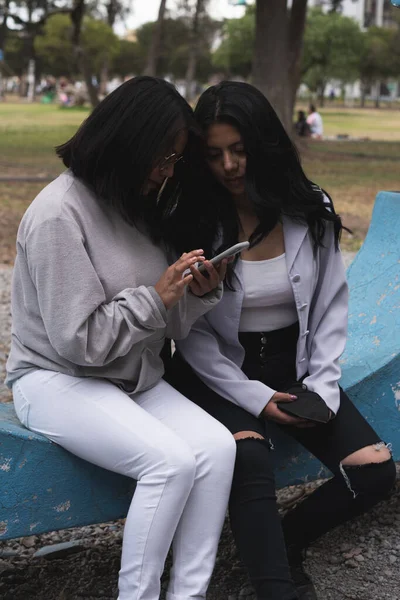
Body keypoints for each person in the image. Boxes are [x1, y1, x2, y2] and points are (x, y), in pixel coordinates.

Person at [5, 76, 237, 600]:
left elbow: (158, 326)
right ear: (129, 142)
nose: (167, 172)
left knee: (217, 449)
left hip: (129, 375)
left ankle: (189, 594)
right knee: (170, 462)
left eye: (175, 161)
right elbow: (79, 342)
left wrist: (191, 294)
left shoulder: (135, 206)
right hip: (54, 379)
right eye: (164, 158)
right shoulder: (57, 214)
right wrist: (156, 297)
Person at [164, 81, 396, 600]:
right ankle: (276, 585)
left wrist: (323, 387)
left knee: (375, 472)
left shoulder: (308, 205)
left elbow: (333, 304)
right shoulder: (192, 219)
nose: (229, 166)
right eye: (215, 153)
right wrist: (255, 400)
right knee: (249, 460)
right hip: (214, 372)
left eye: (240, 150)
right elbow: (192, 338)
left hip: (293, 364)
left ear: (264, 144)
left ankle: (280, 543)